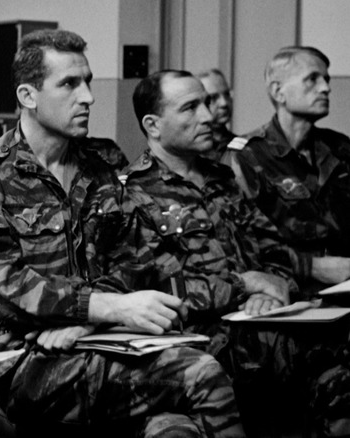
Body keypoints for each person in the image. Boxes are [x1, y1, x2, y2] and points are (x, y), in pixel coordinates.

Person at [0, 29, 244, 437]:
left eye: (87, 81)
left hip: (100, 338)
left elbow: (138, 259)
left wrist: (90, 319)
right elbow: (7, 292)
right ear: (28, 96)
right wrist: (106, 308)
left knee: (173, 429)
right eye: (69, 84)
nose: (88, 97)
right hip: (22, 359)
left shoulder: (99, 168)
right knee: (201, 375)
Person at [118, 69, 350, 436]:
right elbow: (154, 291)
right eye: (190, 108)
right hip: (196, 341)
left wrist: (273, 288)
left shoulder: (222, 179)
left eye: (207, 103)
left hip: (262, 323)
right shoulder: (128, 196)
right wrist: (245, 285)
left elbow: (274, 249)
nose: (208, 116)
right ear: (153, 125)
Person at [227, 46, 350, 296]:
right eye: (312, 79)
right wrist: (310, 267)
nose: (325, 88)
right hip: (287, 293)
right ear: (278, 91)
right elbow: (240, 242)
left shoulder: (340, 148)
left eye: (326, 79)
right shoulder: (247, 156)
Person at [196, 68, 237, 161]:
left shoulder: (243, 147)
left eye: (227, 94)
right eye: (213, 97)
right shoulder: (187, 149)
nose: (224, 103)